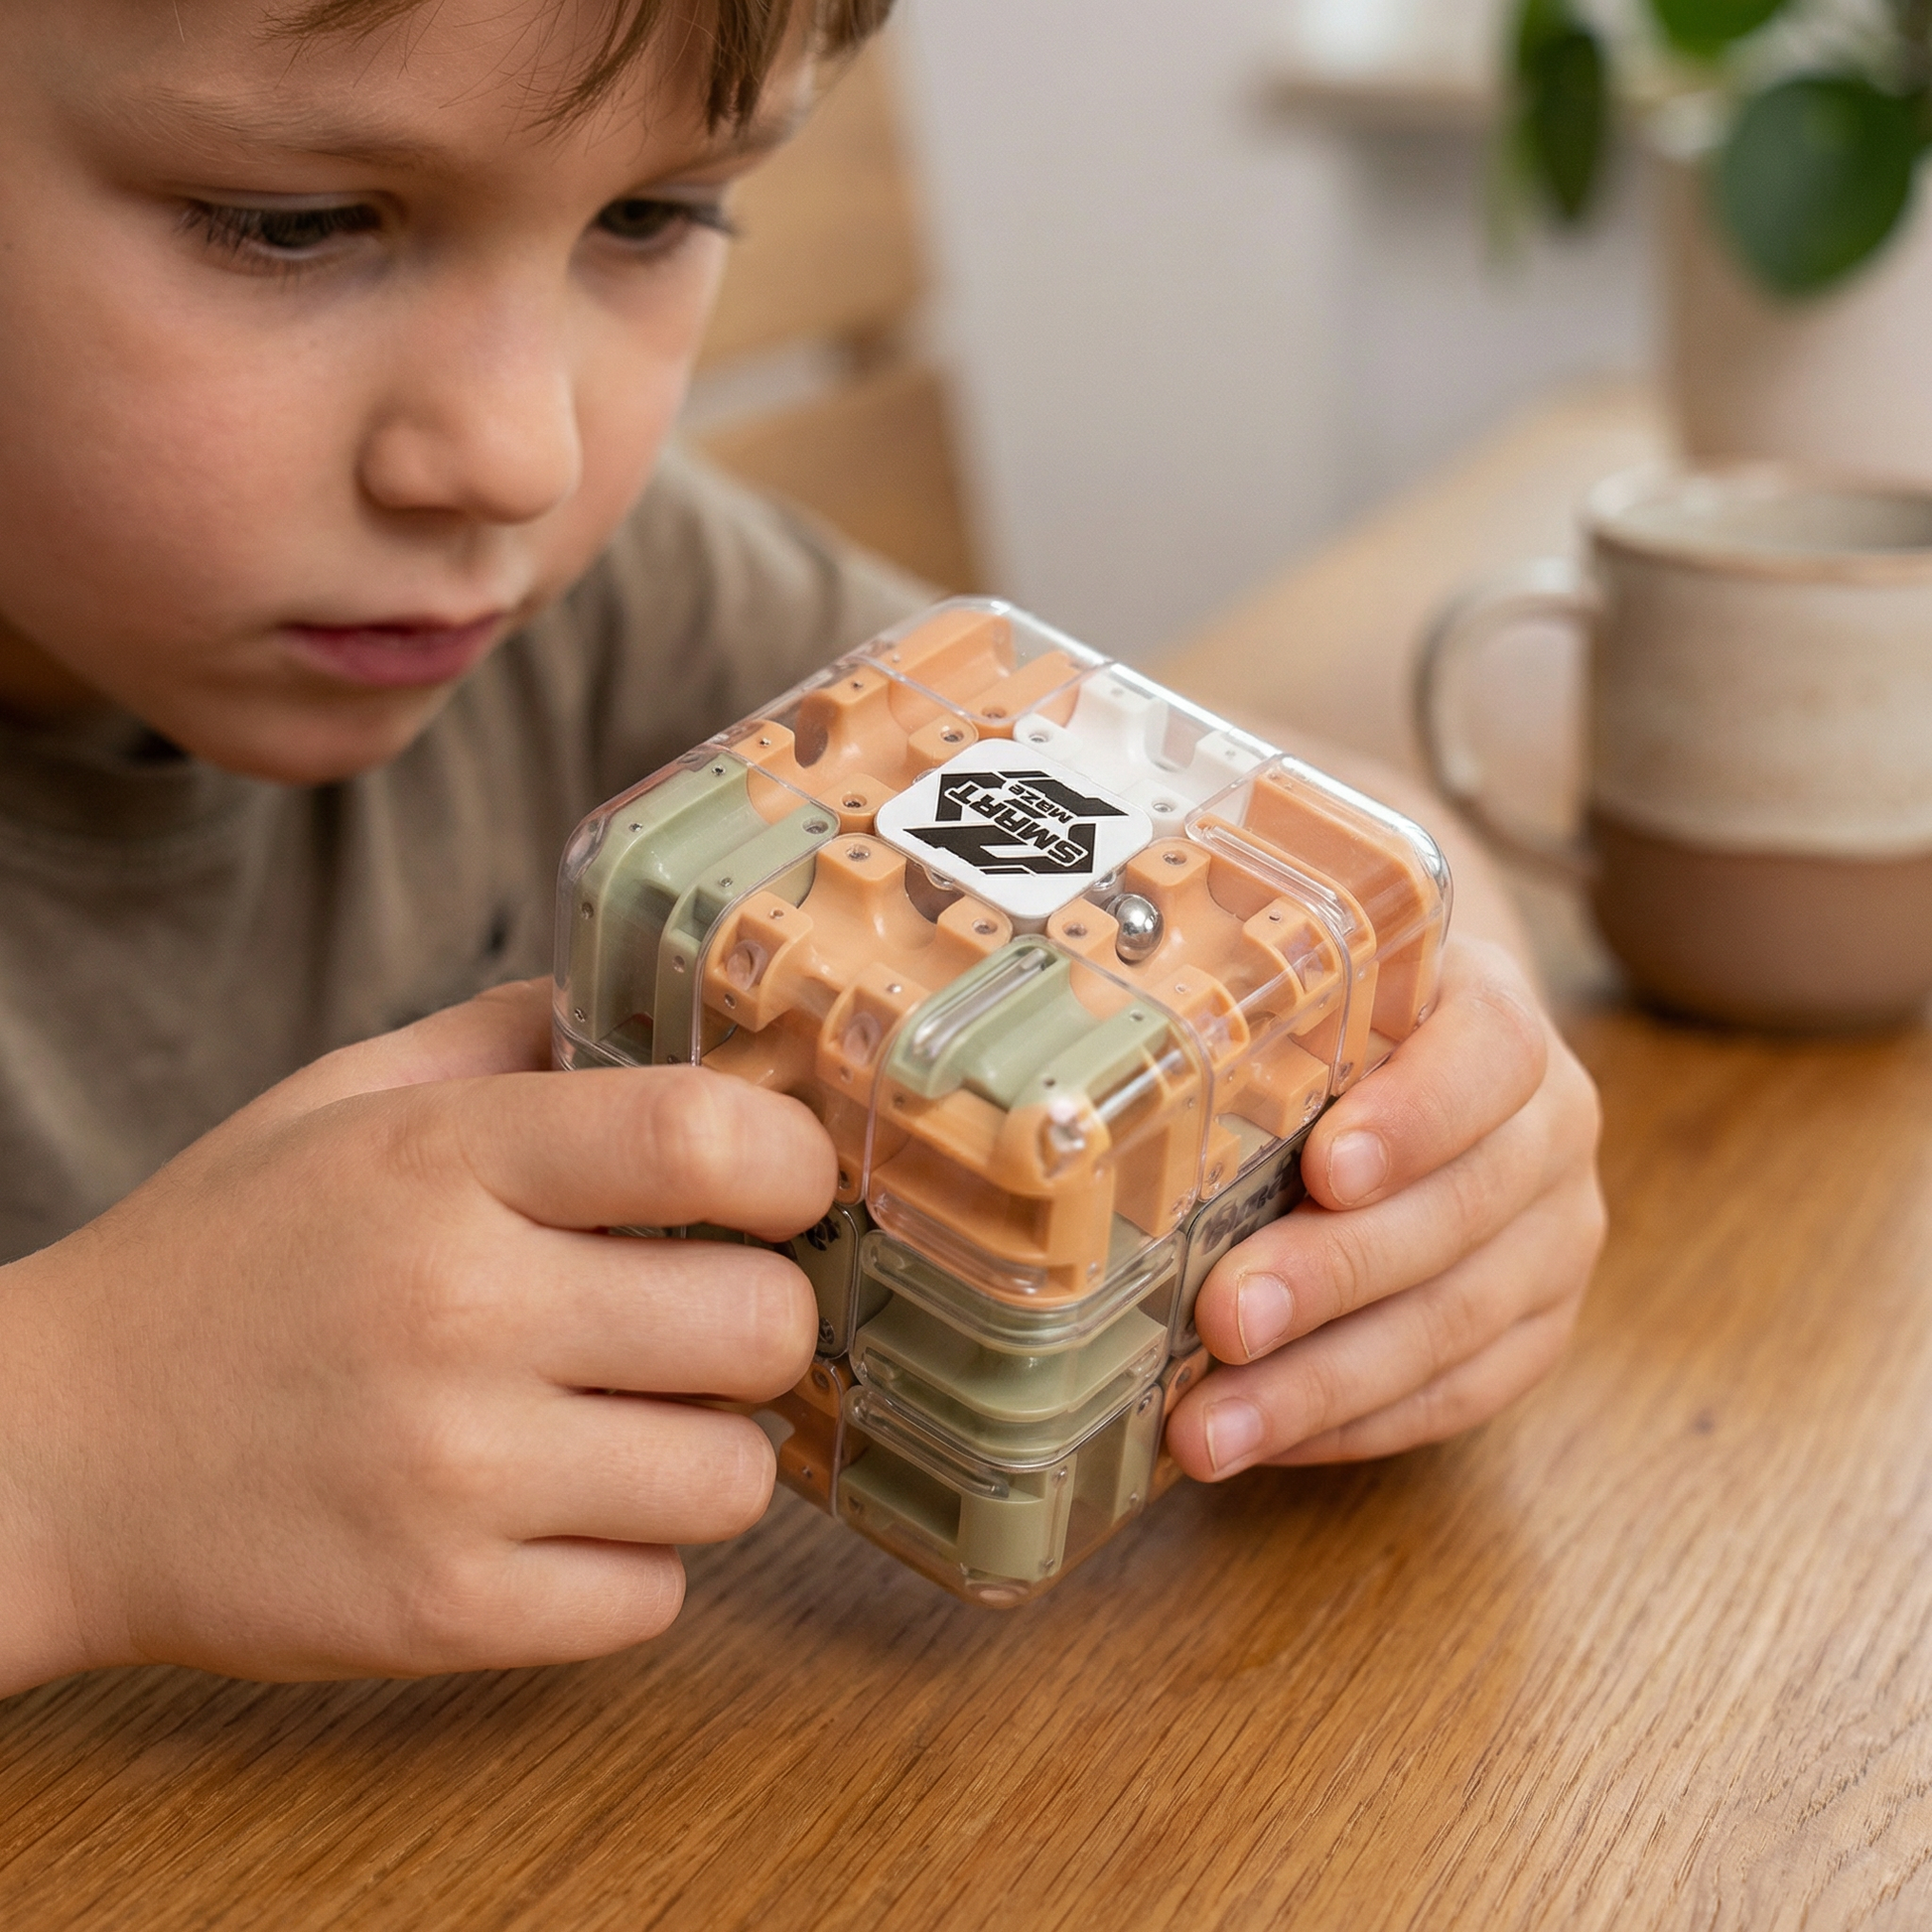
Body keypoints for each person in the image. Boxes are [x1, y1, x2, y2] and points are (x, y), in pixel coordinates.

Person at [0, 0, 1604, 1697]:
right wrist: (63, 1465)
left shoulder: (615, 592)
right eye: (291, 223)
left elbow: (1310, 825)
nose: (521, 454)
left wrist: (1441, 1127)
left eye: (650, 215)